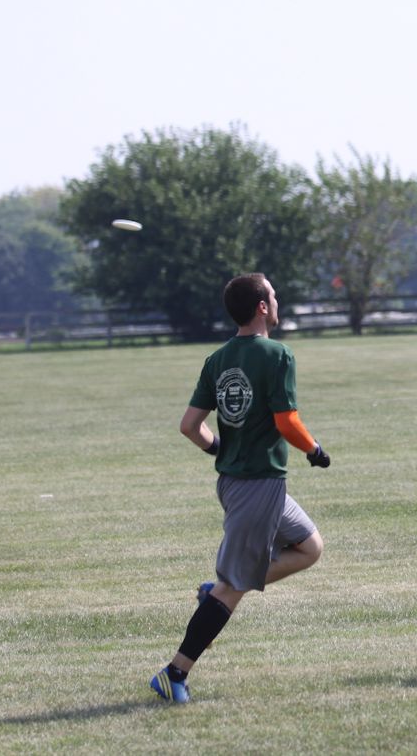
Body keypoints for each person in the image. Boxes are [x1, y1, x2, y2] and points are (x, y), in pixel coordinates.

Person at [148, 273, 331, 704]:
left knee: (310, 547)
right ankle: (174, 673)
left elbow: (189, 426)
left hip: (236, 484)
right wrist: (313, 449)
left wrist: (218, 447)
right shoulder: (278, 354)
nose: (278, 300)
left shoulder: (217, 359)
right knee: (232, 587)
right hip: (258, 487)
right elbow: (286, 421)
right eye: (274, 295)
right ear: (263, 307)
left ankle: (216, 592)